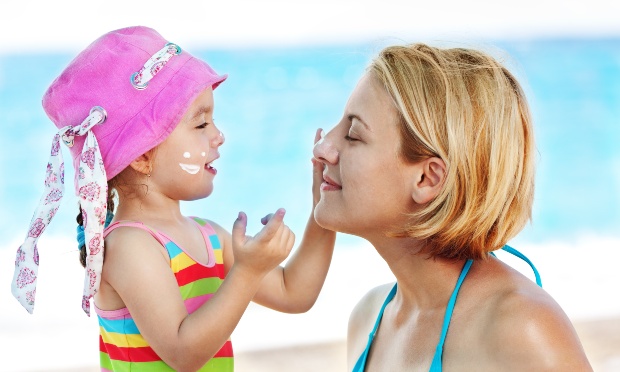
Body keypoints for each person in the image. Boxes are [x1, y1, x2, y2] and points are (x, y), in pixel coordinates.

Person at [11, 26, 336, 371]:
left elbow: (295, 293)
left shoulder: (210, 237)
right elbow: (184, 352)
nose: (219, 135)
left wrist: (323, 205)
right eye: (200, 125)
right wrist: (247, 272)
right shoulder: (130, 245)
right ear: (141, 156)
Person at [312, 44, 592, 371]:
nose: (322, 148)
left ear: (427, 179)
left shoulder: (521, 327)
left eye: (354, 135)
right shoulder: (369, 317)